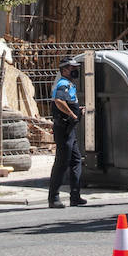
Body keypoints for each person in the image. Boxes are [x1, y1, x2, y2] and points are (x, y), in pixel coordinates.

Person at [47, 58, 86, 208]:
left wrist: (77, 110)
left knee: (76, 160)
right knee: (62, 162)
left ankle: (75, 195)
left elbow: (67, 101)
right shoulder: (63, 84)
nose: (75, 70)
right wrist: (72, 114)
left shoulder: (69, 84)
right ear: (64, 70)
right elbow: (59, 101)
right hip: (63, 129)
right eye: (72, 68)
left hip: (69, 130)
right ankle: (54, 197)